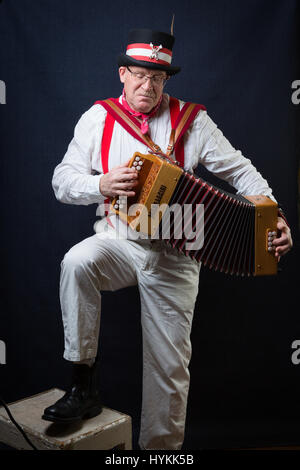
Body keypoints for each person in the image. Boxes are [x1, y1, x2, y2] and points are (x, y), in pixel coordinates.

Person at [42, 28, 293, 450]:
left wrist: (274, 216)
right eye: (139, 75)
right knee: (77, 262)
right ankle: (82, 383)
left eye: (157, 77)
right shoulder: (99, 117)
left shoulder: (192, 121)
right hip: (119, 241)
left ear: (167, 80)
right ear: (123, 74)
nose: (148, 85)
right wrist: (101, 183)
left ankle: (161, 454)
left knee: (169, 368)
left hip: (178, 253)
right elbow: (61, 181)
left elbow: (242, 171)